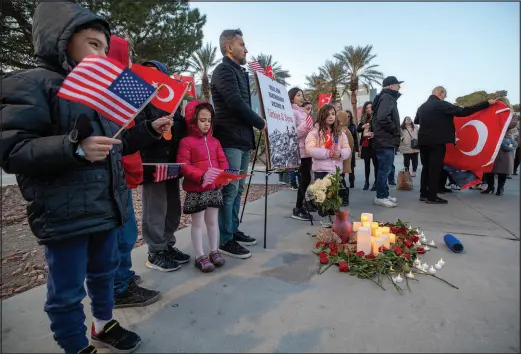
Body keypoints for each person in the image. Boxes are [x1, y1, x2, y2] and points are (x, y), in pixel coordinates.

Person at [0, 2, 174, 352]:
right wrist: (73, 148)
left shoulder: (100, 91)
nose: (102, 55)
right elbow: (13, 151)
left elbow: (116, 144)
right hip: (63, 214)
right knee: (66, 290)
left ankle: (102, 324)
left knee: (103, 274)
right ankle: (75, 346)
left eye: (106, 50)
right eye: (94, 44)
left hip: (105, 207)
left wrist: (149, 131)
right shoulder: (29, 84)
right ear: (61, 40)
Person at [107, 36, 160, 308]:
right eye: (126, 59)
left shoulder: (124, 88)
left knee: (126, 232)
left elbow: (127, 137)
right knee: (122, 234)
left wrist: (150, 128)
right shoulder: (107, 92)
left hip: (123, 172)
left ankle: (123, 277)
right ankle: (118, 288)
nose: (131, 65)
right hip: (111, 176)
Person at [211, 29, 266, 259]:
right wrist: (260, 122)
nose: (246, 49)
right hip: (230, 139)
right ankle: (225, 239)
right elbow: (234, 103)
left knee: (238, 189)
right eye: (242, 44)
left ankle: (232, 230)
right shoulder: (223, 70)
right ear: (228, 47)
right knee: (230, 189)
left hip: (242, 140)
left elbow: (242, 103)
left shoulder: (240, 72)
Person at [135, 60, 191, 272]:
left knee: (172, 206)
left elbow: (180, 130)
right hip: (152, 161)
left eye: (156, 74)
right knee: (155, 207)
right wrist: (153, 127)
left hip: (171, 161)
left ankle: (167, 245)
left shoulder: (173, 101)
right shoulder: (139, 100)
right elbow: (136, 130)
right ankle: (155, 251)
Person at [415, 86, 494, 204]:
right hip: (437, 142)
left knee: (426, 168)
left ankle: (423, 193)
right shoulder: (441, 105)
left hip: (423, 141)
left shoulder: (422, 107)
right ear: (440, 93)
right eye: (444, 95)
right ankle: (432, 196)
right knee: (435, 169)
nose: (445, 97)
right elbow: (463, 112)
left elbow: (416, 120)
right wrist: (485, 104)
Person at [177, 101, 228, 272]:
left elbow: (223, 161)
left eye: (209, 120)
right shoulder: (186, 142)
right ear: (193, 121)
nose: (206, 123)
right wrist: (201, 176)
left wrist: (223, 175)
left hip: (213, 188)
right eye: (202, 120)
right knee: (198, 223)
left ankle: (214, 250)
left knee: (212, 221)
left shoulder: (215, 142)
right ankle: (200, 255)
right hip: (196, 189)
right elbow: (183, 164)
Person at [305, 104, 351, 228]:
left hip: (336, 170)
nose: (331, 117)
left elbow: (347, 148)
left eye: (333, 114)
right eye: (328, 114)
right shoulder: (315, 132)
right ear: (322, 115)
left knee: (334, 194)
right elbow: (310, 149)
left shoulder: (339, 132)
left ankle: (331, 215)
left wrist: (340, 153)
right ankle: (323, 216)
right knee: (322, 195)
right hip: (321, 169)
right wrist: (327, 153)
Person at [372, 76, 403, 208]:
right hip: (385, 139)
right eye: (397, 85)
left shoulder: (385, 97)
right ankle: (381, 196)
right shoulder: (387, 97)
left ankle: (384, 193)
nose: (399, 87)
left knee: (386, 169)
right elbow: (383, 117)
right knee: (384, 170)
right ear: (391, 86)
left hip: (384, 139)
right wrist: (395, 130)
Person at [289, 87, 314, 221]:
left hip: (308, 149)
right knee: (304, 179)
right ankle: (298, 208)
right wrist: (306, 125)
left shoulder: (303, 112)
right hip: (300, 150)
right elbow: (293, 133)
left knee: (307, 179)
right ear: (292, 97)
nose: (301, 97)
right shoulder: (292, 112)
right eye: (298, 95)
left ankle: (302, 205)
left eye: (302, 95)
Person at [481, 119, 518, 196]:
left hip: (505, 147)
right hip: (492, 144)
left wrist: (502, 121)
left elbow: (513, 124)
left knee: (503, 170)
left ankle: (500, 188)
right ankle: (490, 187)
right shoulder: (493, 114)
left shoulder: (510, 116)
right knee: (489, 168)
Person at [357, 101, 378, 191]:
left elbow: (379, 129)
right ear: (365, 110)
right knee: (366, 164)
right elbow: (358, 129)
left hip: (374, 144)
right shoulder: (364, 119)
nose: (369, 109)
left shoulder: (376, 117)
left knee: (376, 164)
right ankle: (366, 182)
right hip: (366, 144)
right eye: (367, 108)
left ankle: (376, 183)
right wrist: (363, 126)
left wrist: (373, 133)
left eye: (370, 107)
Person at [337, 111, 355, 206]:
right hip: (344, 159)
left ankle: (344, 198)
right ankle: (343, 198)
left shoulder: (343, 131)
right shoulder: (345, 129)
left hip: (342, 159)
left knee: (340, 179)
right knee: (341, 179)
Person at [344, 110, 358, 188]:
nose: (347, 118)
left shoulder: (352, 126)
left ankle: (351, 182)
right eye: (346, 116)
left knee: (351, 167)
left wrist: (356, 149)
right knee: (342, 166)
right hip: (343, 148)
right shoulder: (340, 125)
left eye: (349, 116)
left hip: (351, 148)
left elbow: (355, 137)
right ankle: (342, 182)